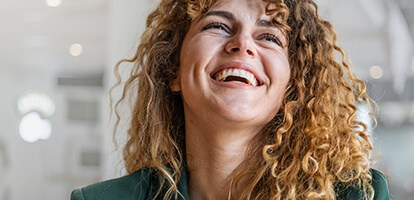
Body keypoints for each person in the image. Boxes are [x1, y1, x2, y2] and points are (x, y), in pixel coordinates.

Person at [71, 0, 391, 199]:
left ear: (293, 82)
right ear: (173, 71)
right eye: (218, 26)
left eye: (268, 36)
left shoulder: (358, 195)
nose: (242, 44)